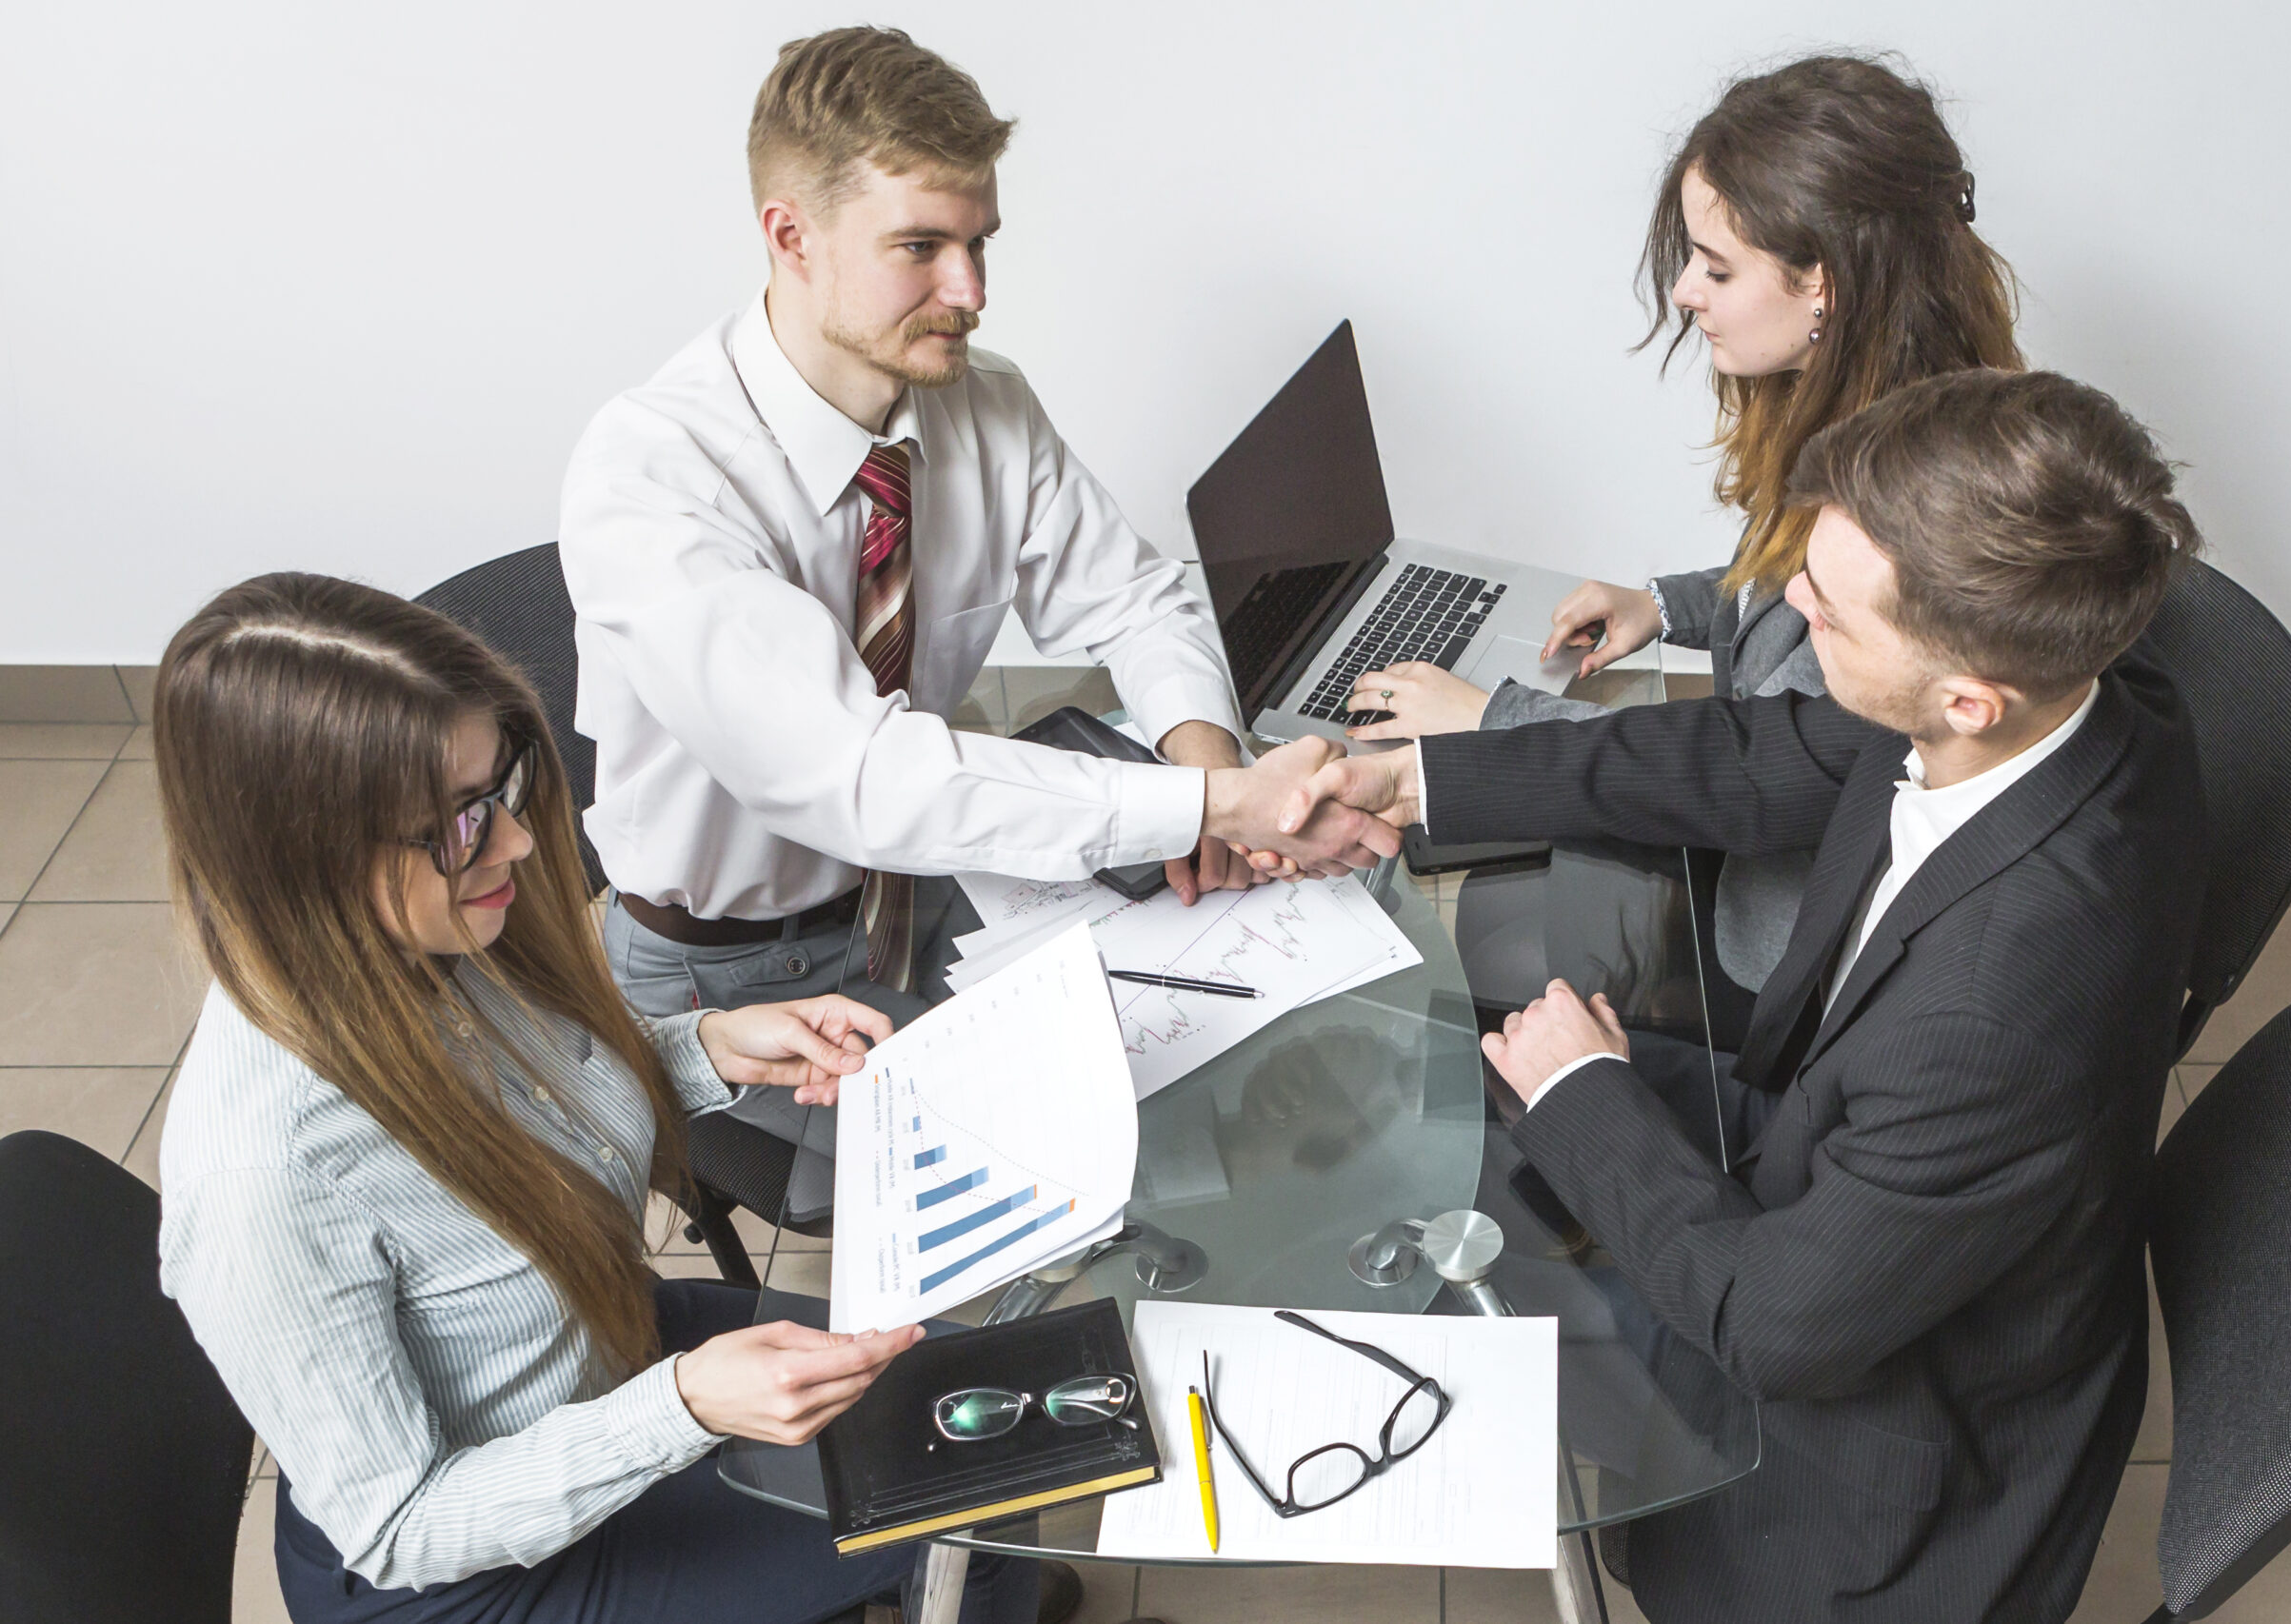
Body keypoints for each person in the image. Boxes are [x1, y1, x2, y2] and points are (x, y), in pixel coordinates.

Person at [1278, 369, 2206, 1623]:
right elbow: (1764, 750)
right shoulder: (2076, 700)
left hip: (1868, 1470)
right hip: (1847, 1160)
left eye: (1827, 613)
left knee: (1367, 1270)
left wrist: (1584, 1092)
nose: (1791, 609)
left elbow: (1774, 1326)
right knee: (1420, 1083)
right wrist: (1428, 780)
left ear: (1964, 700)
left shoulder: (1999, 1011)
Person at [561, 25, 1393, 1179]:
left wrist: (1209, 777)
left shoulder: (982, 404)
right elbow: (864, 777)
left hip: (922, 887)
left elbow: (1139, 597)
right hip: (729, 974)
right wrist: (1207, 805)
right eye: (921, 248)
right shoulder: (652, 473)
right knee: (1060, 1172)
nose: (972, 292)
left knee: (1233, 1056)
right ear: (789, 236)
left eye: (980, 243)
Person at [151, 575, 1064, 1624]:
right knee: (983, 1482)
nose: (520, 843)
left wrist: (706, 1047)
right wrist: (679, 1408)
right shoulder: (263, 1179)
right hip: (479, 1562)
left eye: (504, 783)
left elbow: (519, 1097)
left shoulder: (421, 937)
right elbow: (401, 1525)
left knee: (990, 1415)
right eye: (458, 823)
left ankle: (954, 1579)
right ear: (301, 859)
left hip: (604, 1354)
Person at [1337, 55, 2020, 996]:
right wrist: (1666, 605)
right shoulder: (1878, 408)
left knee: (1494, 957)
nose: (1685, 291)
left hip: (1787, 939)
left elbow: (1760, 773)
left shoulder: (1916, 515)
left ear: (1825, 282)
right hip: (1756, 834)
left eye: (1716, 265)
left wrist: (1493, 722)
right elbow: (1793, 585)